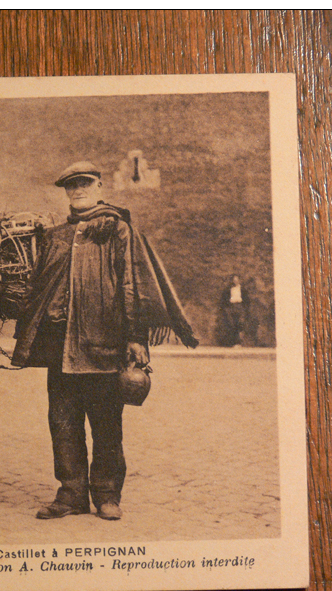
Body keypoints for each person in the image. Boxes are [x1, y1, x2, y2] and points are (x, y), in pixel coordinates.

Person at [12, 161, 197, 521]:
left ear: (99, 187)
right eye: (71, 186)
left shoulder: (117, 230)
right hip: (61, 349)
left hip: (104, 345)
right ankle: (70, 495)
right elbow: (38, 285)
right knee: (63, 424)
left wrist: (136, 337)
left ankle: (107, 495)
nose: (77, 190)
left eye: (84, 184)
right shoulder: (56, 236)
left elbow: (132, 284)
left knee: (106, 426)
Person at [219, 274, 250, 347]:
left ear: (239, 280)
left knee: (240, 324)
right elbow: (224, 299)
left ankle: (239, 342)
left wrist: (244, 308)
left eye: (237, 280)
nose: (235, 281)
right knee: (232, 324)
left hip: (240, 306)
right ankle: (233, 342)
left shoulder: (243, 289)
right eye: (234, 280)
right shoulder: (229, 289)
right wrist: (227, 308)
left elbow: (246, 300)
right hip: (232, 307)